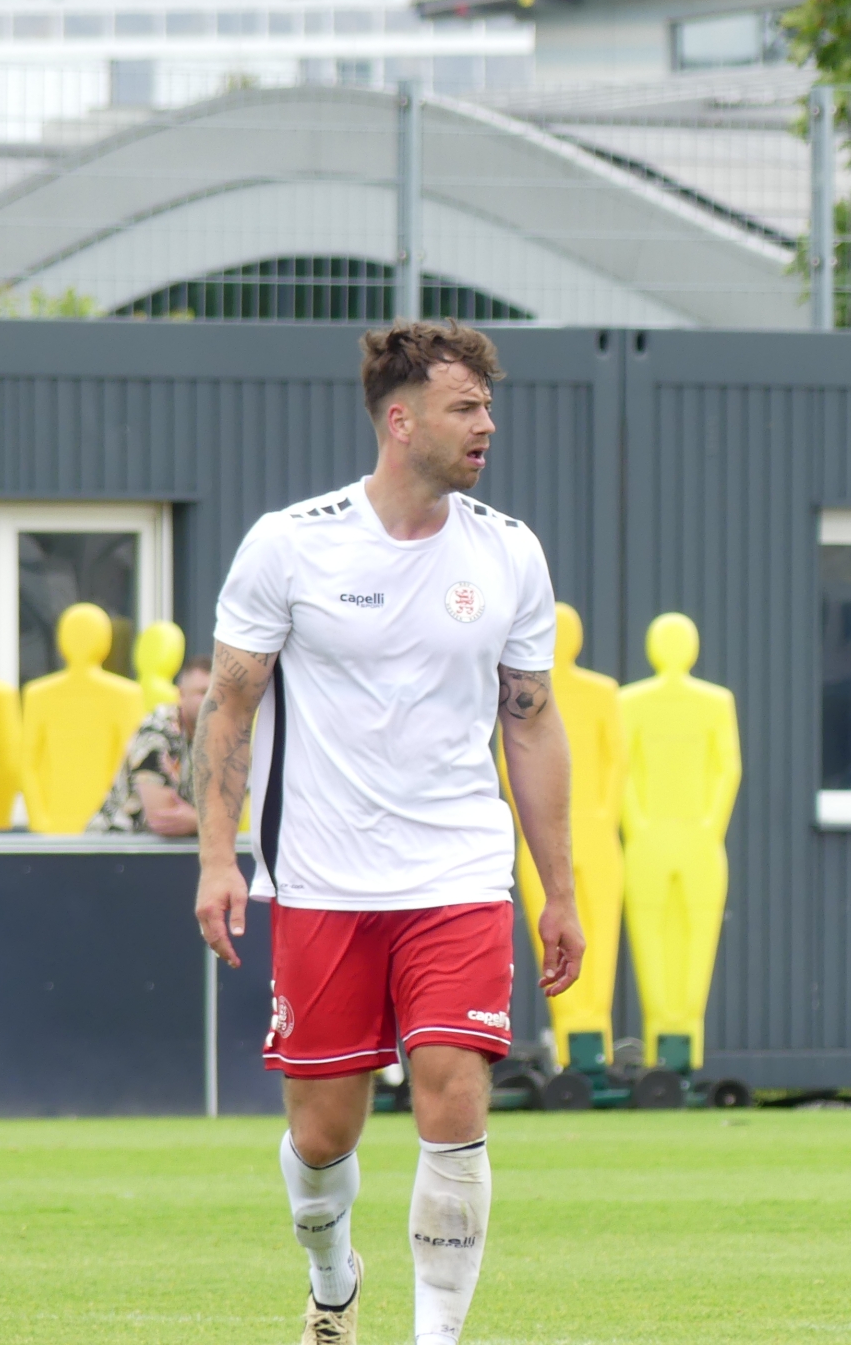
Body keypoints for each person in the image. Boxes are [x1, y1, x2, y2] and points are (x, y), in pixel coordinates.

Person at [193, 320, 584, 1345]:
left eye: (489, 406)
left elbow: (532, 721)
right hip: (323, 880)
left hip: (458, 871)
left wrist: (560, 889)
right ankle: (333, 1283)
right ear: (401, 420)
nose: (487, 425)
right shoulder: (292, 545)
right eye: (466, 407)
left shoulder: (509, 551)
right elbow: (229, 708)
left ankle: (435, 1339)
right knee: (324, 1136)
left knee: (455, 1098)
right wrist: (217, 857)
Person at [88, 656, 212, 835]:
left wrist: (198, 820)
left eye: (219, 693)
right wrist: (208, 821)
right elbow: (163, 818)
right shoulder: (157, 731)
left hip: (168, 848)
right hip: (114, 842)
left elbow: (237, 811)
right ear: (181, 694)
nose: (212, 701)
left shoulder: (225, 737)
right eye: (203, 692)